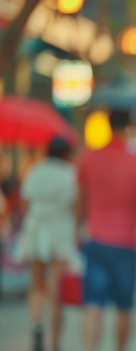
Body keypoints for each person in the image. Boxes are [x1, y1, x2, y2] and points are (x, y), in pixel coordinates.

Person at [76, 109, 136, 351]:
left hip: (95, 238)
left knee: (93, 304)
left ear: (108, 126)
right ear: (129, 126)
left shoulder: (89, 157)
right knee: (124, 307)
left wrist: (77, 227)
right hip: (126, 242)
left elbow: (80, 199)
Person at [13, 137, 80, 351]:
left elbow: (25, 203)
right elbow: (76, 206)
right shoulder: (70, 175)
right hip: (60, 232)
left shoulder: (35, 171)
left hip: (36, 230)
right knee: (56, 288)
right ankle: (56, 340)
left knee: (36, 284)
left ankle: (37, 323)